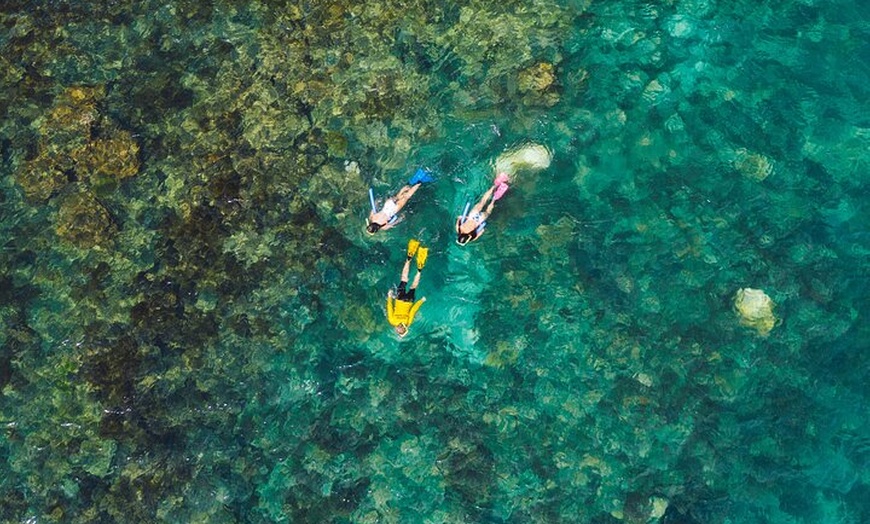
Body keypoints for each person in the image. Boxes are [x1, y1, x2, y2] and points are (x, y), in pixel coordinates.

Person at [367, 168, 434, 234]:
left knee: (407, 196)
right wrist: (378, 201)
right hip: (387, 205)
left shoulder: (383, 227)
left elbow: (393, 223)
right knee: (398, 195)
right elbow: (375, 205)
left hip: (393, 210)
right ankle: (409, 185)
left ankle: (420, 182)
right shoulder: (372, 218)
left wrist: (401, 217)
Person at [386, 239, 429, 337]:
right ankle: (409, 258)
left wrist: (421, 300)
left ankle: (419, 269)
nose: (398, 329)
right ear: (403, 329)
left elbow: (413, 310)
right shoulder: (392, 321)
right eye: (400, 331)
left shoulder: (408, 323)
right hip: (400, 298)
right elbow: (389, 307)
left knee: (413, 285)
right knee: (404, 279)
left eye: (399, 331)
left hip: (409, 301)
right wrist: (389, 296)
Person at [455, 172, 510, 245]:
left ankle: (494, 199)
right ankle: (495, 185)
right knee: (482, 201)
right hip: (472, 216)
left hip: (479, 220)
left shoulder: (472, 237)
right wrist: (463, 217)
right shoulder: (459, 229)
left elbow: (482, 230)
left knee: (487, 211)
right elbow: (459, 218)